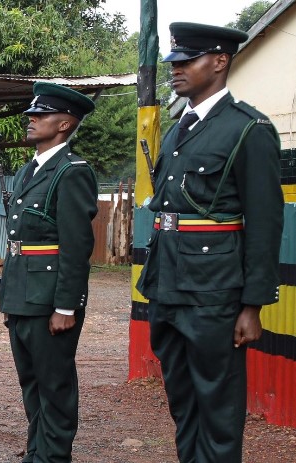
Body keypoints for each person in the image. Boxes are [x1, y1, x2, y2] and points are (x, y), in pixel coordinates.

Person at [137, 22, 283, 463]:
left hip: (214, 290)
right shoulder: (182, 127)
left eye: (187, 61)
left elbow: (264, 222)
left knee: (218, 407)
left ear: (220, 62)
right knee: (183, 402)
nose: (176, 70)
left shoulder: (247, 128)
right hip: (169, 285)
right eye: (174, 62)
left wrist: (253, 304)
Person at [0, 82, 98, 463]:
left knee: (54, 384)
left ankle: (53, 456)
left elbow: (76, 247)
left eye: (41, 115)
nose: (31, 119)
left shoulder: (71, 171)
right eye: (31, 114)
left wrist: (67, 306)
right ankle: (36, 452)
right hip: (23, 294)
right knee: (31, 382)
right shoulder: (29, 170)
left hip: (50, 297)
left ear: (64, 124)